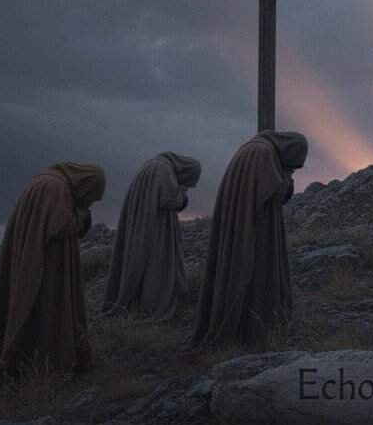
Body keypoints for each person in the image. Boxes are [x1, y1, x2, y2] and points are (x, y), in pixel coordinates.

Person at [0, 162, 105, 384]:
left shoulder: (45, 181)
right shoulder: (55, 187)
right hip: (45, 265)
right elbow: (61, 226)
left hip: (41, 258)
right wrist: (81, 215)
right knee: (45, 311)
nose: (89, 201)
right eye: (91, 196)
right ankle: (41, 368)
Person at [192, 131, 307, 348]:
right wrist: (287, 178)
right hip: (257, 226)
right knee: (254, 271)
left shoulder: (251, 148)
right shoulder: (263, 153)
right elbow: (276, 192)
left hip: (243, 222)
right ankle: (252, 329)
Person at [102, 152, 202, 320]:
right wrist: (182, 194)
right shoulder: (163, 169)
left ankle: (136, 302)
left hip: (147, 222)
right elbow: (170, 199)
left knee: (142, 262)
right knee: (156, 264)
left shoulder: (152, 165)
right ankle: (152, 306)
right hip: (155, 228)